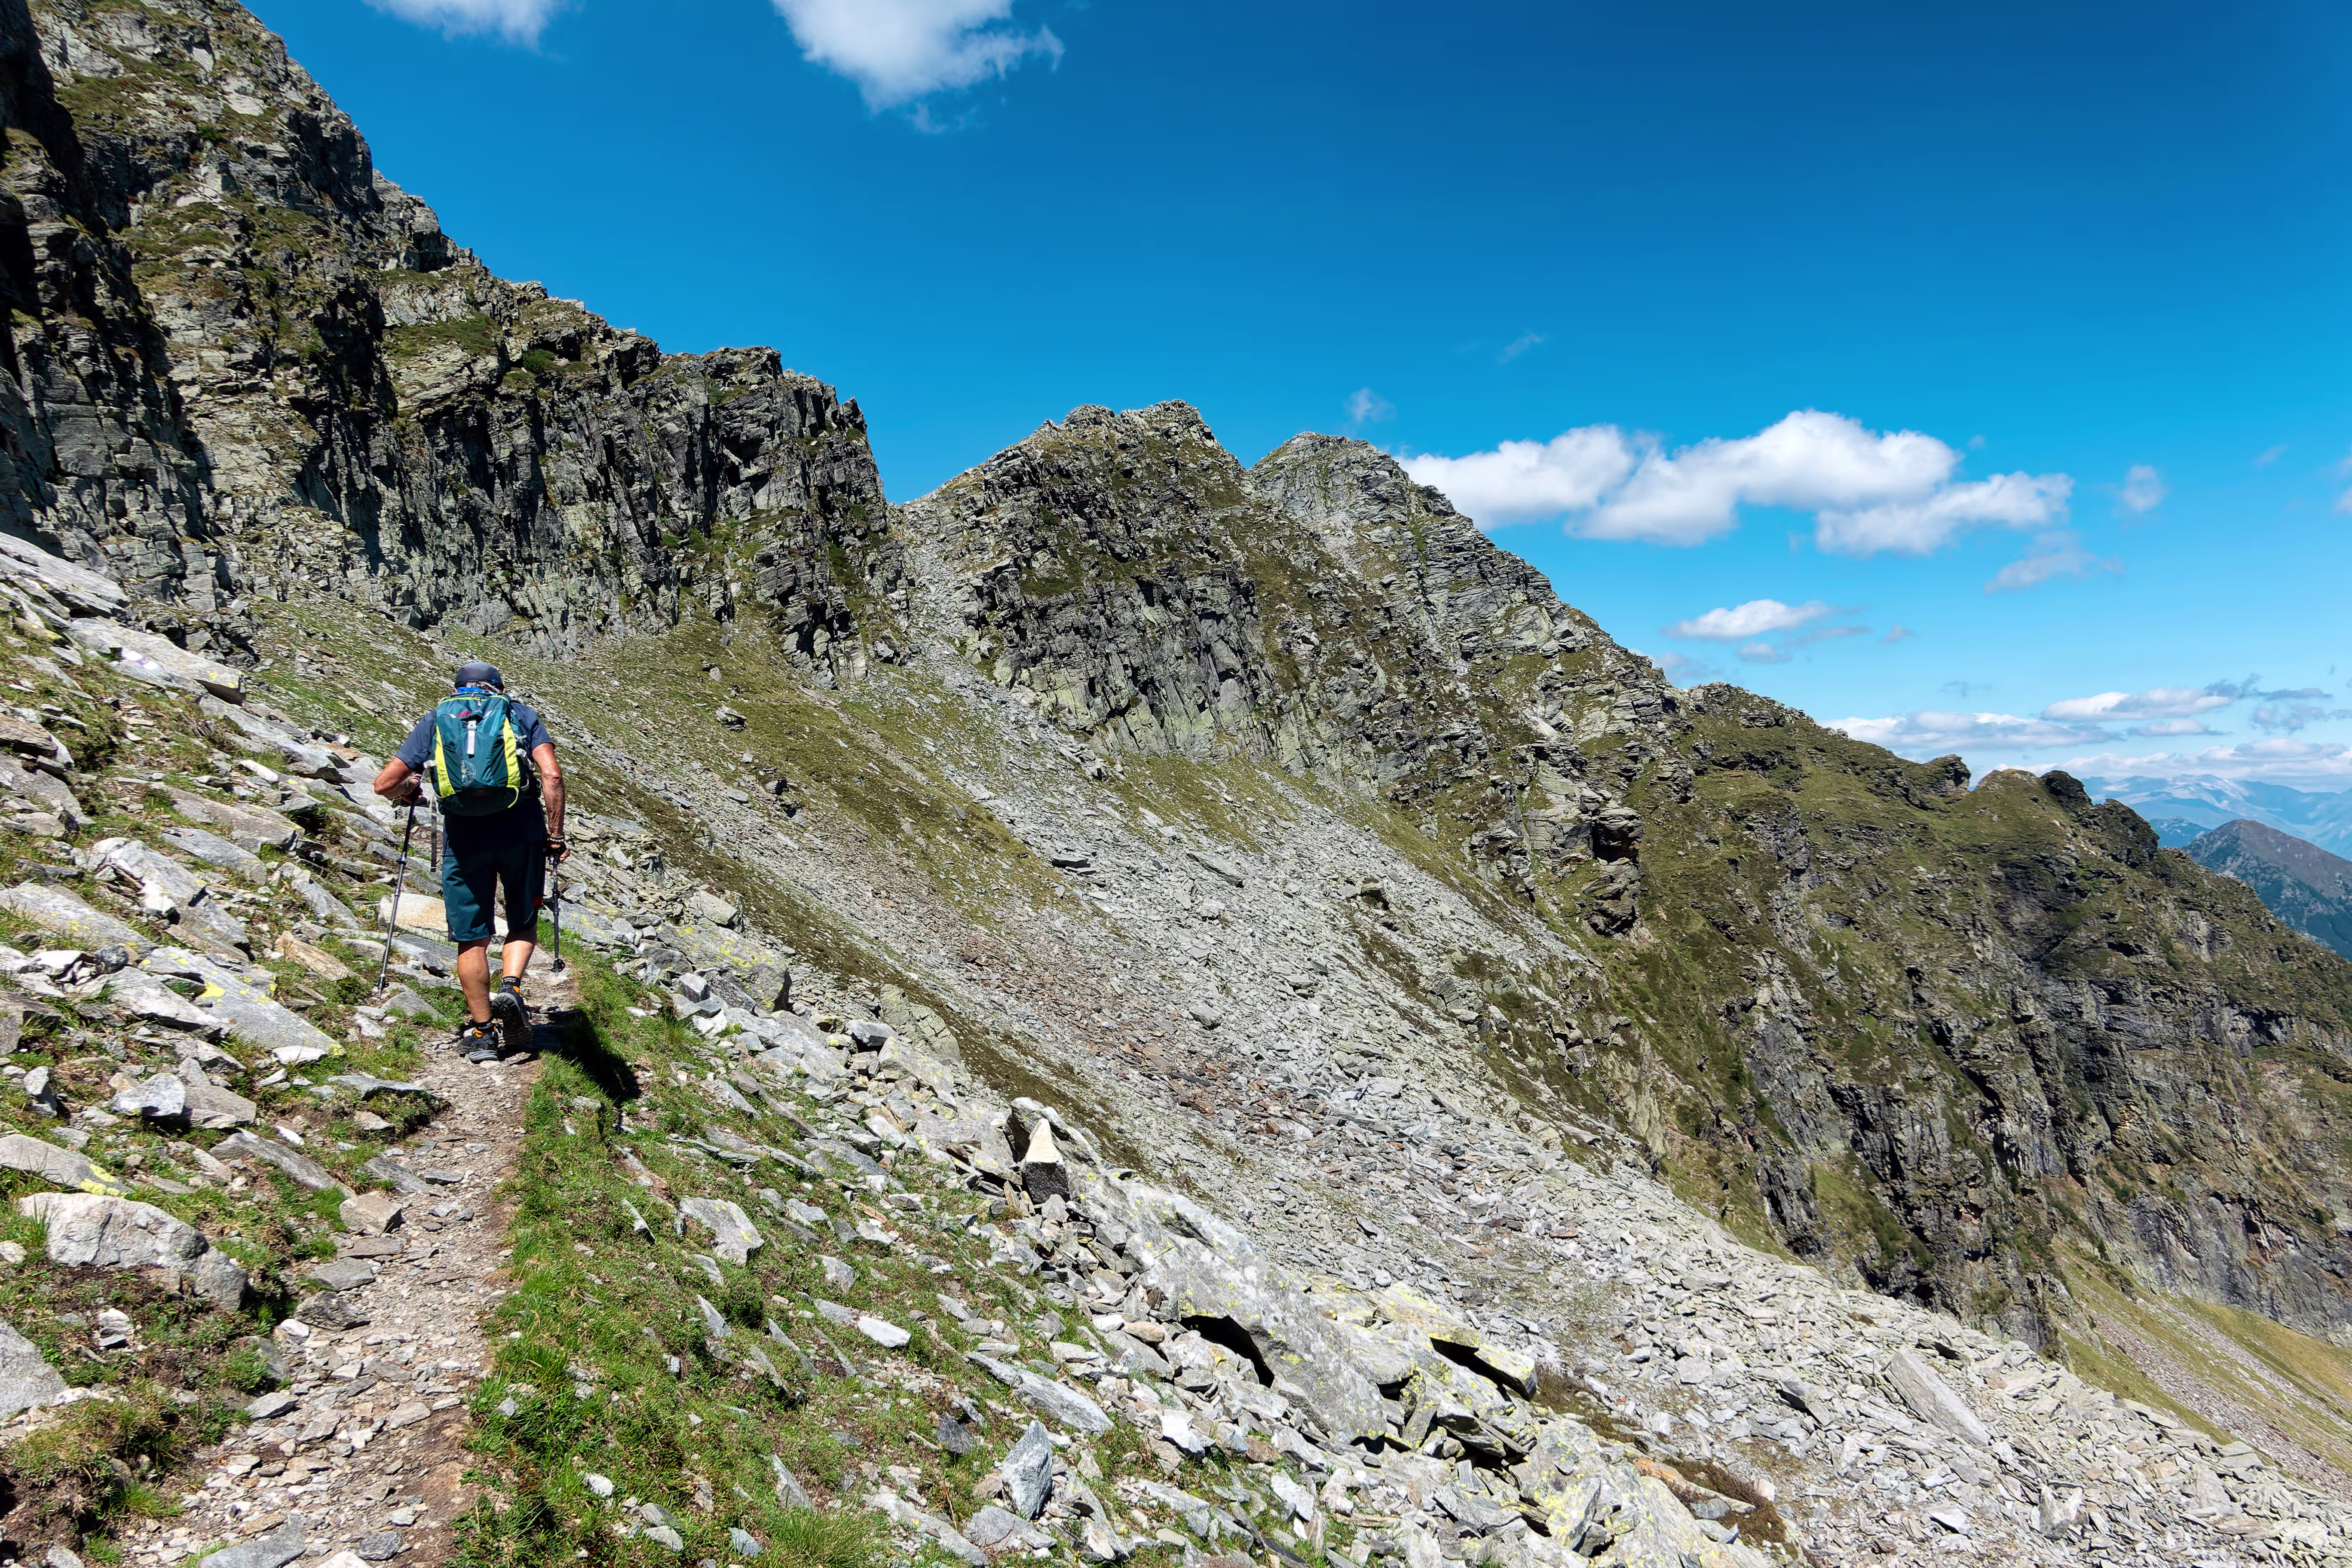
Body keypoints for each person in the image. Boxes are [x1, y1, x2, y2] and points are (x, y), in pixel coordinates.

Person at [372, 660, 568, 1059]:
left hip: (464, 840)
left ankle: (482, 1034)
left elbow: (384, 785)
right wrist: (555, 835)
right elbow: (552, 776)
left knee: (471, 937)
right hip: (522, 835)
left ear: (458, 689)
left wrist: (412, 787)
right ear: (497, 687)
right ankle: (511, 987)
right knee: (522, 921)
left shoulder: (438, 719)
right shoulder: (518, 714)